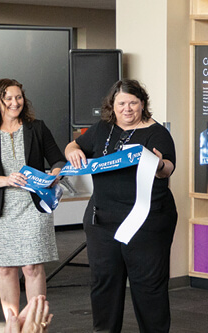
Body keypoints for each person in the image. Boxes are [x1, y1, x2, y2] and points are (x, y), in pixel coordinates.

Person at [64, 79, 178, 332]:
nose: (127, 109)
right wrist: (72, 149)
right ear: (112, 106)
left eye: (133, 103)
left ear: (143, 104)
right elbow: (75, 145)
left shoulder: (157, 133)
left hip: (147, 224)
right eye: (121, 103)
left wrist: (158, 164)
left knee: (149, 288)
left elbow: (167, 168)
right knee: (104, 285)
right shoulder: (101, 129)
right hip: (102, 223)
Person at [0, 79, 65, 321]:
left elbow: (58, 160)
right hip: (2, 210)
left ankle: (36, 324)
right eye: (9, 98)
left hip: (33, 207)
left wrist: (53, 177)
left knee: (32, 267)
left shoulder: (37, 128)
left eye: (19, 97)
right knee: (5, 268)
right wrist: (5, 180)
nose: (16, 103)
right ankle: (13, 324)